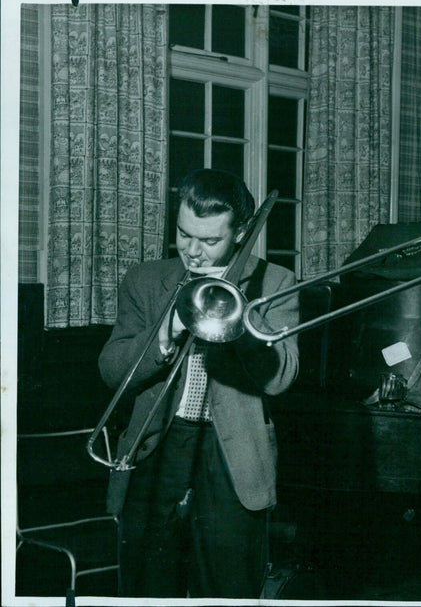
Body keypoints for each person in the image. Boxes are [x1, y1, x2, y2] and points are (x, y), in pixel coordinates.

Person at [98, 169, 299, 598]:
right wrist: (163, 333)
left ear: (241, 233)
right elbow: (111, 370)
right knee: (147, 584)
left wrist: (241, 316)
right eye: (184, 235)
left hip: (233, 453)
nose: (194, 252)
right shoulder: (146, 280)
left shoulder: (276, 282)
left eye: (210, 241)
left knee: (226, 588)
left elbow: (282, 377)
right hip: (159, 444)